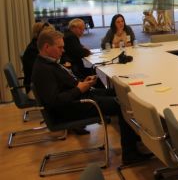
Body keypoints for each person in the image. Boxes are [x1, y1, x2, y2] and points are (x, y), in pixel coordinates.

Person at [31, 30, 149, 164]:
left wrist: (82, 83)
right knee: (122, 104)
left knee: (120, 92)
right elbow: (54, 101)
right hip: (74, 106)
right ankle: (130, 154)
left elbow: (64, 85)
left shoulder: (48, 63)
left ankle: (133, 137)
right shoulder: (43, 70)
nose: (63, 51)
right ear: (46, 47)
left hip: (80, 97)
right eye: (60, 47)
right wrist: (78, 89)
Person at [21, 22, 54, 93]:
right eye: (48, 34)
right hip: (35, 88)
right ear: (39, 34)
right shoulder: (33, 49)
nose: (51, 37)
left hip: (39, 83)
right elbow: (41, 72)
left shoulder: (37, 45)